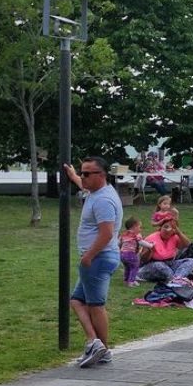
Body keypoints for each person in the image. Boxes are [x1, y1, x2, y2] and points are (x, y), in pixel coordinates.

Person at [62, 156, 122, 368]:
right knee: (77, 300)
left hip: (98, 257)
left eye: (87, 173)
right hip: (98, 257)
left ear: (102, 175)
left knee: (96, 305)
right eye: (82, 172)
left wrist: (89, 255)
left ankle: (103, 349)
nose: (83, 177)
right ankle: (94, 342)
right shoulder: (97, 192)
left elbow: (106, 233)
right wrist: (73, 176)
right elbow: (84, 184)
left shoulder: (103, 200)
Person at [137, 217, 193, 283]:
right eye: (165, 227)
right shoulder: (151, 238)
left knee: (191, 261)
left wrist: (179, 233)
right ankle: (176, 279)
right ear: (161, 228)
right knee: (158, 265)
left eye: (172, 228)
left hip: (169, 264)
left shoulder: (174, 237)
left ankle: (176, 279)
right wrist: (150, 251)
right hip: (150, 266)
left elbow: (188, 245)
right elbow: (143, 260)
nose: (167, 230)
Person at [119, 217, 147, 286]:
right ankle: (131, 281)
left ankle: (126, 280)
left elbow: (119, 243)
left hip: (122, 254)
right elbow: (141, 242)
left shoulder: (124, 234)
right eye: (139, 227)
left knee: (127, 267)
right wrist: (150, 245)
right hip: (130, 254)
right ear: (134, 227)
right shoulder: (136, 235)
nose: (140, 229)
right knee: (135, 267)